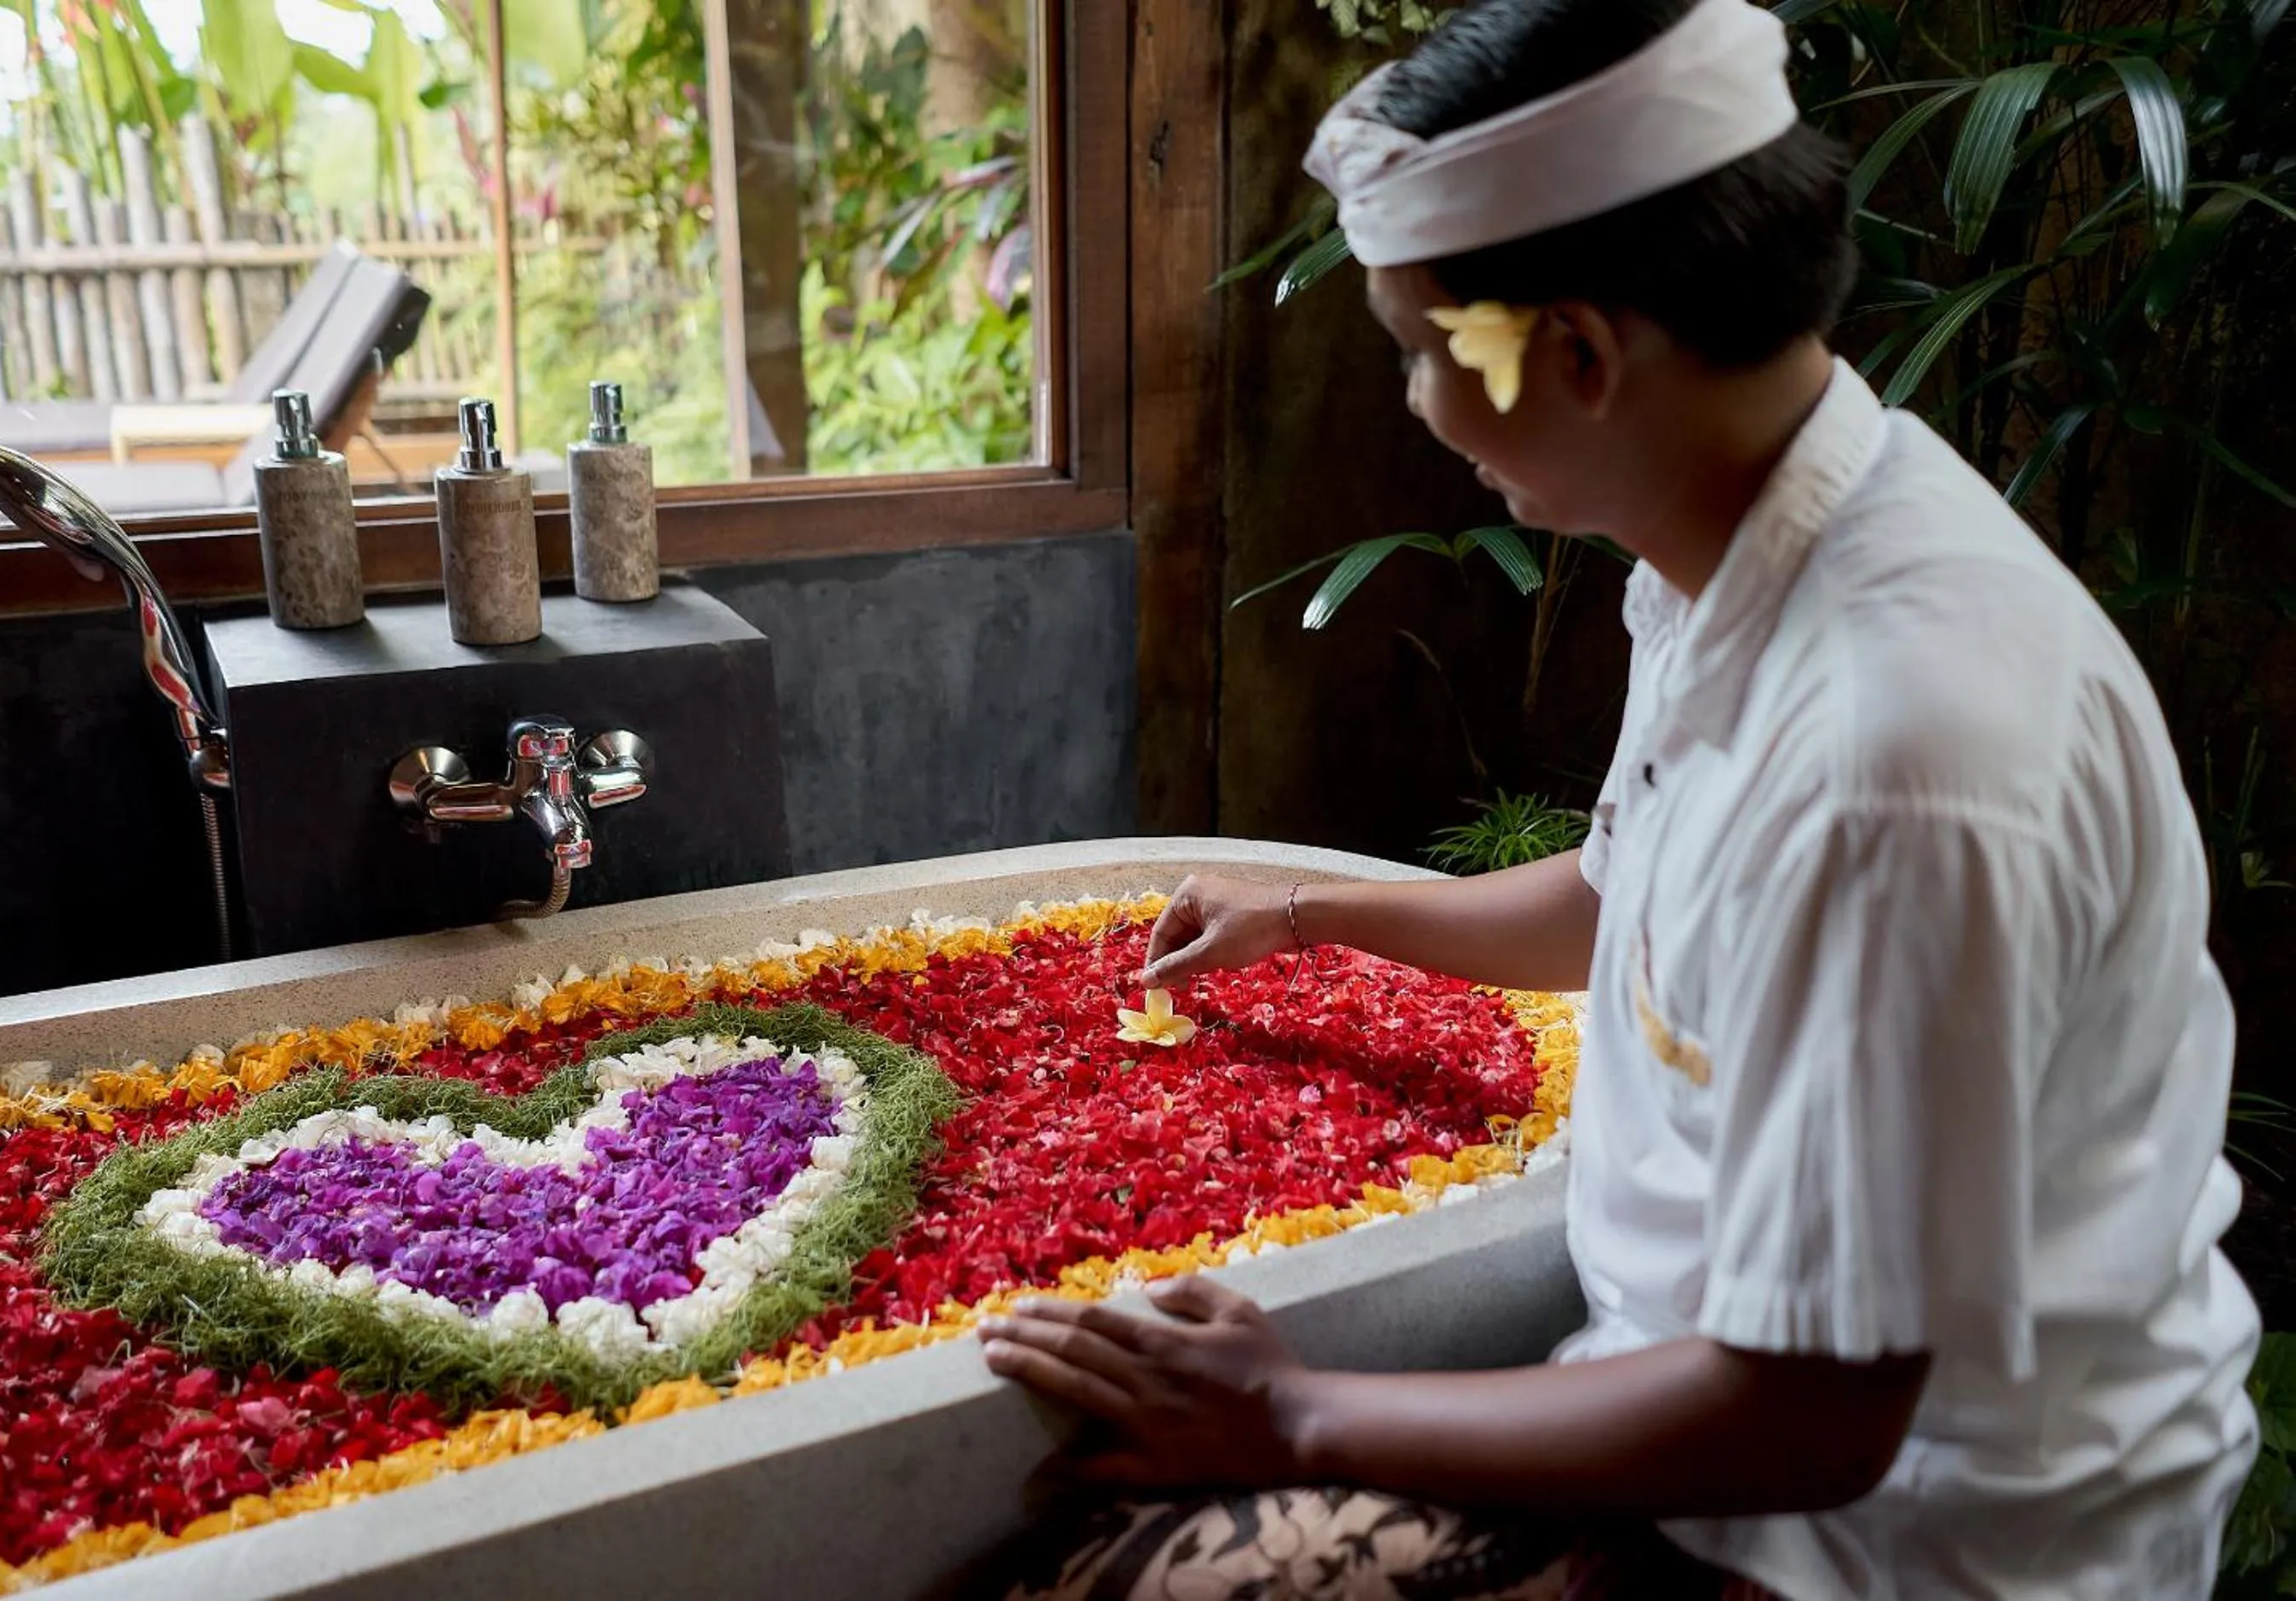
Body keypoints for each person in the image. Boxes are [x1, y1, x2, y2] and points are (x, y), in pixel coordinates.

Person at [967, 0, 2263, 1597]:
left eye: (1421, 359)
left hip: (1896, 1541)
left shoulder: (1888, 756)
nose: (1419, 410)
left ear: (1578, 354)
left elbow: (1812, 1418)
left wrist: (1295, 1410)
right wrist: (1305, 915)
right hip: (1726, 1413)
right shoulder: (1754, 534)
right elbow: (1623, 895)